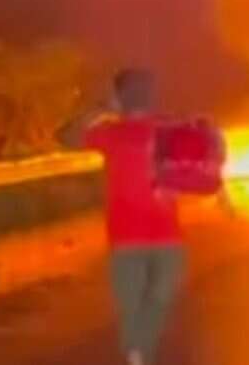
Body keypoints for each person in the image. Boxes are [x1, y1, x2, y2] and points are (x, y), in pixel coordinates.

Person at [63, 68, 183, 365]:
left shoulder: (111, 133)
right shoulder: (168, 128)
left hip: (127, 239)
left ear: (118, 98)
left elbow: (66, 137)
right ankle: (144, 353)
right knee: (153, 309)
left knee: (134, 311)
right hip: (166, 239)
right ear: (151, 95)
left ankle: (138, 356)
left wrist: (99, 109)